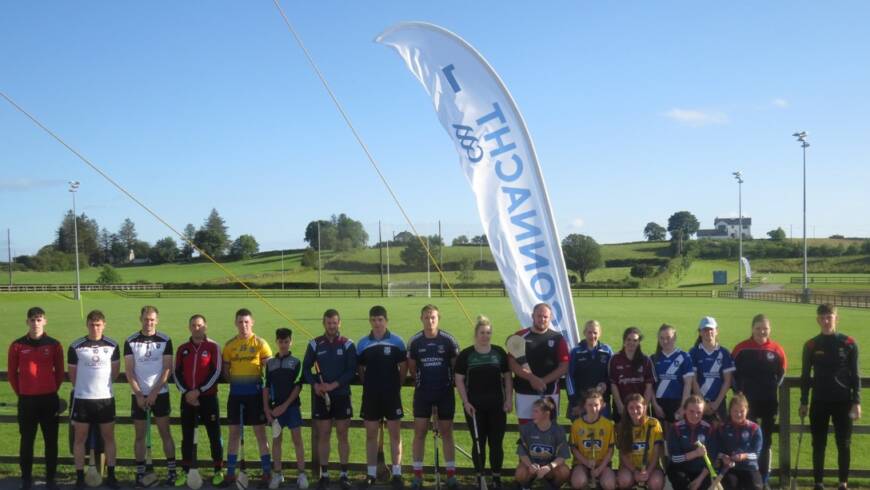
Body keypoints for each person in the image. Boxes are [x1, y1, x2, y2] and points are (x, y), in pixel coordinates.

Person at [799, 303, 861, 490]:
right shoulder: (810, 345)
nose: (826, 321)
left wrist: (856, 401)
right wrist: (804, 401)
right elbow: (805, 376)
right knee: (818, 444)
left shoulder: (849, 343)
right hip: (819, 402)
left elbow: (855, 374)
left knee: (844, 444)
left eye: (829, 317)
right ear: (818, 320)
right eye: (822, 317)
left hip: (844, 403)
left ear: (836, 318)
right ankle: (818, 483)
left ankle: (843, 482)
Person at [8, 306, 65, 490]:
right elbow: (11, 374)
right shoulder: (17, 345)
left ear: (45, 321)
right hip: (27, 401)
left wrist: (50, 389)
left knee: (51, 442)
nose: (35, 323)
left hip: (49, 400)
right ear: (27, 322)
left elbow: (59, 373)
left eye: (39, 319)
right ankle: (26, 479)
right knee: (26, 441)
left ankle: (50, 480)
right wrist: (23, 392)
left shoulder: (54, 344)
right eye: (32, 320)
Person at [454, 315, 513, 490]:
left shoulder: (498, 352)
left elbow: (508, 379)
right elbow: (459, 380)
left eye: (488, 332)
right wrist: (466, 402)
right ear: (476, 334)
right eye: (482, 332)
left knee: (496, 443)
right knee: (478, 442)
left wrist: (509, 400)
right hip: (474, 408)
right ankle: (479, 477)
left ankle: (496, 477)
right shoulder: (466, 355)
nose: (485, 336)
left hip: (497, 406)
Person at [406, 304, 461, 490]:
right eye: (426, 317)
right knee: (419, 433)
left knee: (447, 433)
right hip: (423, 394)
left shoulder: (448, 340)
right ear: (421, 318)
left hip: (445, 393)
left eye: (433, 317)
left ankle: (451, 474)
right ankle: (417, 475)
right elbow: (412, 369)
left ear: (438, 318)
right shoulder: (415, 341)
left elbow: (456, 367)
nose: (430, 321)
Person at [302, 309, 357, 490]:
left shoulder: (348, 344)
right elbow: (305, 369)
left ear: (339, 323)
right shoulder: (315, 344)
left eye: (334, 323)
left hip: (341, 396)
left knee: (343, 434)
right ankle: (324, 475)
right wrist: (315, 385)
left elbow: (351, 371)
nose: (332, 326)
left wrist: (333, 385)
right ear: (323, 323)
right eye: (328, 323)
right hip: (321, 396)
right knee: (324, 434)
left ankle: (343, 474)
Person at [124, 305, 178, 487]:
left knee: (165, 434)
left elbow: (168, 368)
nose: (149, 323)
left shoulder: (165, 340)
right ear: (141, 319)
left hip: (160, 394)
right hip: (138, 395)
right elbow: (129, 371)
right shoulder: (130, 340)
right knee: (139, 436)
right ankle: (140, 473)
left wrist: (155, 391)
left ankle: (172, 472)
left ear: (157, 320)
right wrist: (139, 394)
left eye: (152, 319)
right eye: (146, 319)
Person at [732, 314, 786, 490]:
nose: (762, 331)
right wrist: (738, 393)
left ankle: (764, 477)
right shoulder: (741, 348)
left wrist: (770, 389)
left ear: (770, 329)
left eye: (765, 328)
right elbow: (733, 374)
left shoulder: (777, 349)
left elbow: (782, 373)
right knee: (747, 439)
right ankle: (748, 475)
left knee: (766, 440)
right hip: (747, 405)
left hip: (769, 402)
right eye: (758, 328)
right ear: (752, 328)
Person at [222, 308, 274, 489]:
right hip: (236, 396)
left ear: (252, 323)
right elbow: (225, 370)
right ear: (235, 323)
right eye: (240, 322)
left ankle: (266, 471)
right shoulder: (229, 346)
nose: (243, 325)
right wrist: (236, 384)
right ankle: (230, 473)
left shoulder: (260, 343)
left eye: (246, 322)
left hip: (255, 396)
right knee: (234, 434)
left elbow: (271, 369)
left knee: (260, 433)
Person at [69, 310, 120, 490]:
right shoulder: (76, 346)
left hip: (105, 399)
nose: (95, 328)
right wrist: (85, 389)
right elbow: (73, 376)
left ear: (104, 325)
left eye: (98, 324)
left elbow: (114, 373)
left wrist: (99, 389)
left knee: (109, 438)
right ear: (87, 325)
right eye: (92, 324)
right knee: (79, 439)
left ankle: (111, 476)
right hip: (82, 400)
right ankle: (80, 478)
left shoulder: (113, 345)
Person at [357, 305, 407, 490]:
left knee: (395, 434)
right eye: (374, 320)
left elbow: (403, 367)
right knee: (371, 434)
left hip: (391, 395)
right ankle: (371, 474)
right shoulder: (362, 343)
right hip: (371, 396)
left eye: (380, 320)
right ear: (370, 321)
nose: (377, 323)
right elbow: (360, 369)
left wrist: (396, 386)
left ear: (386, 321)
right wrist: (368, 385)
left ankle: (397, 474)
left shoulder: (398, 342)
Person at [174, 314, 226, 487]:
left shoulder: (213, 347)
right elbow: (177, 373)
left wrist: (199, 391)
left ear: (205, 327)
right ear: (189, 327)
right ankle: (186, 470)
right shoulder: (183, 348)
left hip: (208, 398)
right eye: (194, 325)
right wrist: (187, 392)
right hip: (187, 398)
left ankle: (218, 469)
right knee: (187, 435)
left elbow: (216, 371)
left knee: (214, 434)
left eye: (200, 325)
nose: (197, 328)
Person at [507, 303, 569, 423]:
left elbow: (564, 366)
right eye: (539, 316)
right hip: (524, 392)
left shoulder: (558, 338)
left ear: (550, 318)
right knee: (526, 431)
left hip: (550, 393)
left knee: (548, 430)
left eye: (545, 317)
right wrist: (531, 378)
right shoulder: (520, 336)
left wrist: (542, 381)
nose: (542, 319)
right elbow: (512, 363)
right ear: (532, 316)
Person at [263, 328, 306, 490]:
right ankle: (278, 473)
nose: (283, 345)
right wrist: (267, 409)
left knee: (297, 440)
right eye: (280, 342)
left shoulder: (296, 362)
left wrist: (285, 406)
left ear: (290, 342)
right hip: (275, 410)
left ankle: (301, 474)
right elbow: (266, 387)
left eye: (286, 341)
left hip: (292, 407)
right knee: (276, 441)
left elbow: (298, 386)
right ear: (276, 342)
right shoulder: (271, 363)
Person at [515, 397, 571, 490]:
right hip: (532, 467)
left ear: (546, 413)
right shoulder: (526, 428)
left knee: (564, 471)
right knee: (520, 472)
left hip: (549, 467)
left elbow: (562, 455)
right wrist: (530, 465)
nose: (532, 415)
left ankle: (553, 486)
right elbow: (522, 453)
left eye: (536, 412)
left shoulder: (558, 430)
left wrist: (549, 467)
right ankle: (525, 486)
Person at [689, 317, 734, 424]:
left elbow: (728, 381)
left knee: (720, 437)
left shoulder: (724, 353)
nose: (708, 332)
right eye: (705, 329)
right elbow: (693, 380)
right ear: (700, 332)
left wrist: (716, 403)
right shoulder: (693, 352)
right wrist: (702, 403)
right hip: (698, 404)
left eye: (711, 329)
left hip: (718, 403)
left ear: (716, 331)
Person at [666, 395, 716, 490]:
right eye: (691, 411)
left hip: (701, 472)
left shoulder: (709, 428)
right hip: (680, 469)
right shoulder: (676, 428)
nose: (695, 415)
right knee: (682, 483)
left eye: (699, 412)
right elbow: (674, 458)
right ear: (684, 410)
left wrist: (700, 479)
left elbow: (712, 458)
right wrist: (696, 453)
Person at [569, 389, 616, 490]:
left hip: (603, 465)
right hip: (582, 463)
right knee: (578, 482)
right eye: (590, 405)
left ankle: (598, 479)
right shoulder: (577, 424)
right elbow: (574, 449)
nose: (593, 408)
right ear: (584, 406)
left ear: (602, 405)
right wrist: (586, 462)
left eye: (596, 405)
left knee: (609, 484)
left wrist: (599, 469)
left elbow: (611, 450)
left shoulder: (608, 425)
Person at [615, 394, 664, 490]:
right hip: (630, 467)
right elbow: (623, 454)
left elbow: (656, 453)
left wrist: (648, 472)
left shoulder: (654, 423)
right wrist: (635, 471)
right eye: (631, 408)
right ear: (627, 409)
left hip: (651, 467)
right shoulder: (621, 426)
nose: (635, 411)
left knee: (656, 483)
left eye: (638, 407)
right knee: (624, 480)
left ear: (645, 407)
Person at [651, 323, 694, 432]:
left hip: (677, 403)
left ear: (674, 337)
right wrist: (655, 405)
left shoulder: (684, 357)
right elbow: (650, 385)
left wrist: (683, 406)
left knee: (676, 438)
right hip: (659, 404)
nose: (665, 341)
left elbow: (688, 384)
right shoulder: (653, 358)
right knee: (659, 439)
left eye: (668, 338)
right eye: (662, 338)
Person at [566, 320, 613, 420]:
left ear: (600, 333)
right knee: (580, 432)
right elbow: (569, 377)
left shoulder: (607, 350)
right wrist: (574, 401)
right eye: (589, 332)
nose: (592, 335)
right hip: (580, 402)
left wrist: (605, 383)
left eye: (595, 332)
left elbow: (612, 374)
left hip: (602, 402)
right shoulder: (576, 351)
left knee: (602, 432)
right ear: (584, 333)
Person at [715, 393, 762, 490]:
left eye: (742, 411)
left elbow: (756, 454)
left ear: (747, 411)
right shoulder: (723, 428)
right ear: (730, 411)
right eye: (735, 411)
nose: (738, 414)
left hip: (749, 467)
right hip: (730, 468)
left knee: (756, 487)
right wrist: (723, 457)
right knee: (730, 485)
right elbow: (716, 450)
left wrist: (743, 456)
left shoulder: (754, 428)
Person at [608, 327, 654, 423]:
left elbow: (649, 386)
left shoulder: (646, 360)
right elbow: (613, 385)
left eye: (635, 340)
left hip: (640, 408)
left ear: (639, 342)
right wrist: (620, 405)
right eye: (628, 339)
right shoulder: (615, 359)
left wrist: (644, 406)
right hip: (622, 408)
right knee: (622, 436)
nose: (631, 343)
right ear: (624, 340)